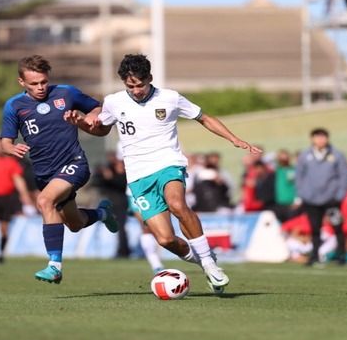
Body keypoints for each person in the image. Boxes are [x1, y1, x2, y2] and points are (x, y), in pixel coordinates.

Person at [70, 53, 262, 294]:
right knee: (165, 240)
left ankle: (211, 264)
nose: (136, 90)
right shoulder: (114, 102)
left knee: (177, 204)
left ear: (150, 78)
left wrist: (234, 139)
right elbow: (102, 130)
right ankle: (204, 259)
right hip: (138, 176)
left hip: (168, 164)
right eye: (130, 86)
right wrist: (79, 124)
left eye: (140, 84)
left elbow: (204, 118)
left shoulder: (170, 98)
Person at [0, 54, 118, 284]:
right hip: (45, 174)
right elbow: (5, 141)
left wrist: (89, 117)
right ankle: (103, 213)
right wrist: (10, 149)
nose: (41, 87)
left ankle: (54, 266)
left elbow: (97, 108)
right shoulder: (14, 106)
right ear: (21, 82)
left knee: (45, 202)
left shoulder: (66, 93)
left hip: (74, 164)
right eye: (34, 84)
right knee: (74, 225)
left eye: (43, 81)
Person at [296, 128, 347, 266]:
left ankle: (341, 254)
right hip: (311, 199)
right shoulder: (305, 156)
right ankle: (314, 255)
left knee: (337, 226)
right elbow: (299, 176)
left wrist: (339, 195)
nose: (320, 140)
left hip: (331, 199)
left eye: (323, 137)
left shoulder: (337, 155)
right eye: (317, 137)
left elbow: (344, 176)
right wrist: (303, 194)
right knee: (315, 228)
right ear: (312, 139)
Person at [92, 151, 130, 258]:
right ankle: (120, 250)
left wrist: (111, 177)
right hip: (109, 202)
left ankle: (124, 251)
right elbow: (97, 182)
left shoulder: (124, 171)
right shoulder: (108, 168)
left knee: (121, 228)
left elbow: (122, 184)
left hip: (120, 203)